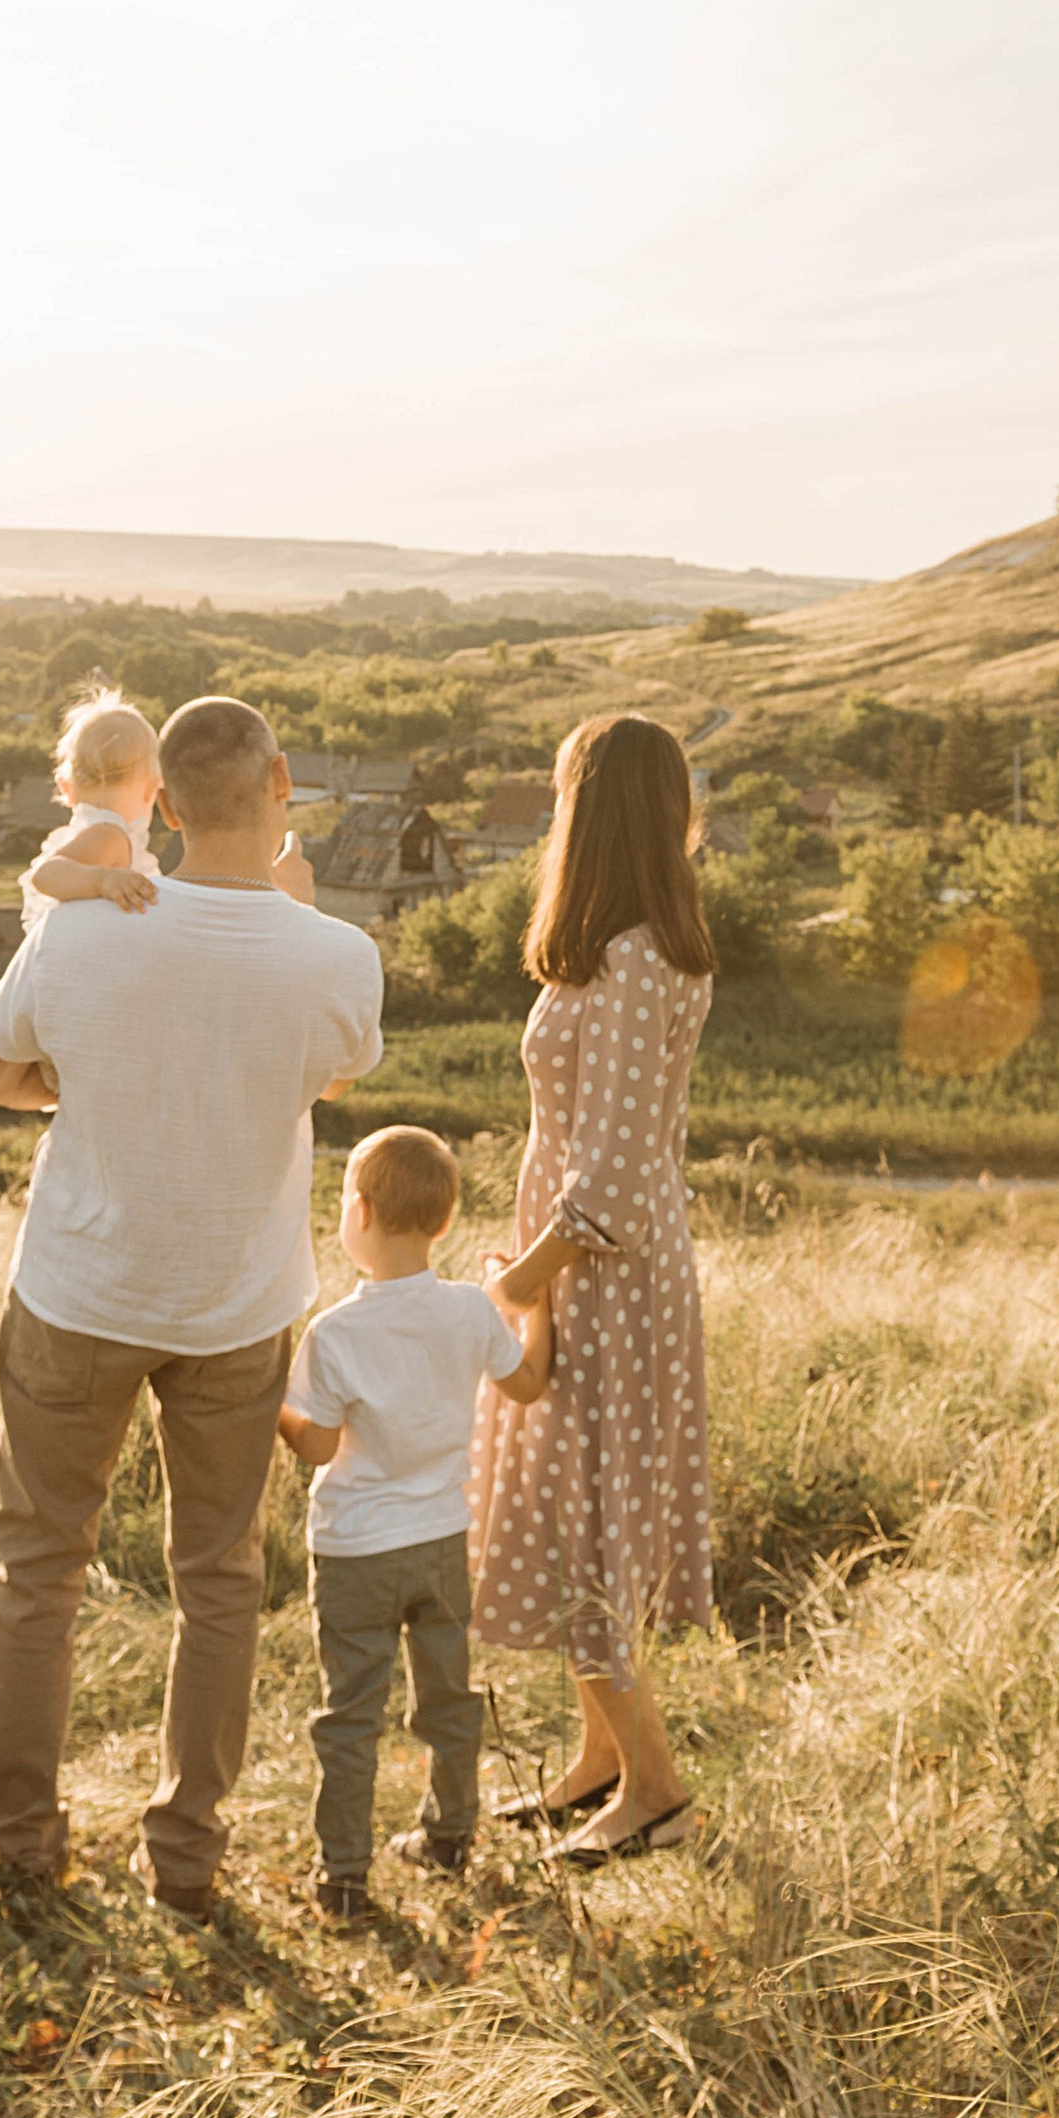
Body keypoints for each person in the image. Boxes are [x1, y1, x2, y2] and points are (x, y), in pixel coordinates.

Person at [0, 696, 384, 1915]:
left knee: (38, 1567)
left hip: (77, 1290)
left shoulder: (82, 935)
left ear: (163, 804)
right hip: (236, 1305)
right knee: (218, 1578)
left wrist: (84, 1088)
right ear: (283, 781)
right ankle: (184, 1857)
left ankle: (25, 1845)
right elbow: (331, 1067)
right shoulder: (336, 957)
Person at [470, 713, 716, 1864]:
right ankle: (601, 1756)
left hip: (601, 1274)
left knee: (585, 1521)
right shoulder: (637, 945)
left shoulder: (629, 963)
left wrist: (513, 1284)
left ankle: (655, 1785)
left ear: (588, 810)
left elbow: (609, 1173)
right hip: (600, 1265)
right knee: (581, 1508)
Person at [278, 1125, 552, 1926]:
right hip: (439, 1541)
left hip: (355, 1548)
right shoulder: (470, 1308)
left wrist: (277, 1409)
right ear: (443, 1220)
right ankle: (450, 1833)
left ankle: (343, 1878)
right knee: (448, 1697)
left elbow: (319, 1444)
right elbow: (528, 1382)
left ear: (356, 1213)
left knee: (350, 1713)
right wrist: (533, 1309)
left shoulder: (333, 1332)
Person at [22, 686, 318, 920]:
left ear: (67, 788)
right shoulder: (110, 834)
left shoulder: (105, 836)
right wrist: (103, 880)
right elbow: (46, 874)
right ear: (155, 792)